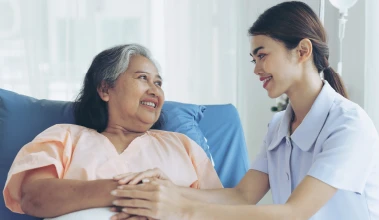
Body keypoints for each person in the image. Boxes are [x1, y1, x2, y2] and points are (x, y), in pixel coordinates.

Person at [108, 2, 379, 220]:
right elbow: (242, 196)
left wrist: (182, 209)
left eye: (262, 55)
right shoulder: (280, 126)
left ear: (302, 51)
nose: (256, 69)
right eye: (253, 58)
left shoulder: (348, 125)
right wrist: (169, 191)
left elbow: (294, 213)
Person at [3, 44, 222, 219]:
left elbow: (225, 209)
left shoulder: (182, 146)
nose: (155, 90)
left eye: (159, 82)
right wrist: (136, 193)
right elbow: (34, 197)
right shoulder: (65, 137)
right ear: (105, 89)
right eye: (143, 78)